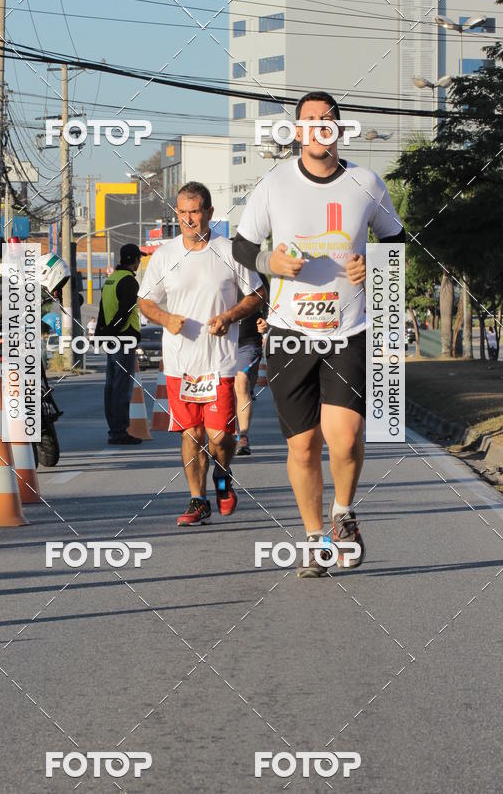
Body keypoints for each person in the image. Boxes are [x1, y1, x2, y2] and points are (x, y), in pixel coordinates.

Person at [233, 91, 406, 577]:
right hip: (290, 332)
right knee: (302, 445)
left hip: (347, 328)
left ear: (338, 128)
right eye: (308, 120)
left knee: (345, 437)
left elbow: (395, 242)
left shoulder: (365, 183)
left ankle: (343, 514)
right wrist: (272, 262)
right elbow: (242, 247)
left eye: (326, 119)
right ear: (297, 131)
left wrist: (370, 264)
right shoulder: (274, 185)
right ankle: (313, 540)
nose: (317, 127)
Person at [139, 182, 265, 526]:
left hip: (219, 361)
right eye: (182, 212)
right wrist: (166, 318)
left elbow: (256, 294)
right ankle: (197, 500)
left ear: (208, 213)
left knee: (220, 437)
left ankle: (222, 480)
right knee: (191, 434)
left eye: (195, 211)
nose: (188, 219)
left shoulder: (229, 251)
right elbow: (145, 301)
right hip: (181, 364)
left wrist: (229, 316)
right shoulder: (165, 255)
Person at [95, 242, 145, 445]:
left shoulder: (111, 280)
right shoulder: (129, 282)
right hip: (123, 339)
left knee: (111, 386)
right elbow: (124, 312)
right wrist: (112, 330)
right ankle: (118, 431)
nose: (139, 262)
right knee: (122, 388)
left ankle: (114, 429)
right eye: (139, 259)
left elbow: (102, 309)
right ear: (134, 260)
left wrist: (102, 333)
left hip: (111, 340)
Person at [234, 277, 269, 456]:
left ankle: (243, 436)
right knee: (224, 389)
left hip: (248, 343)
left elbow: (271, 306)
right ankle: (225, 431)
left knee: (241, 382)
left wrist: (266, 322)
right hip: (220, 343)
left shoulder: (257, 277)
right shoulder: (215, 268)